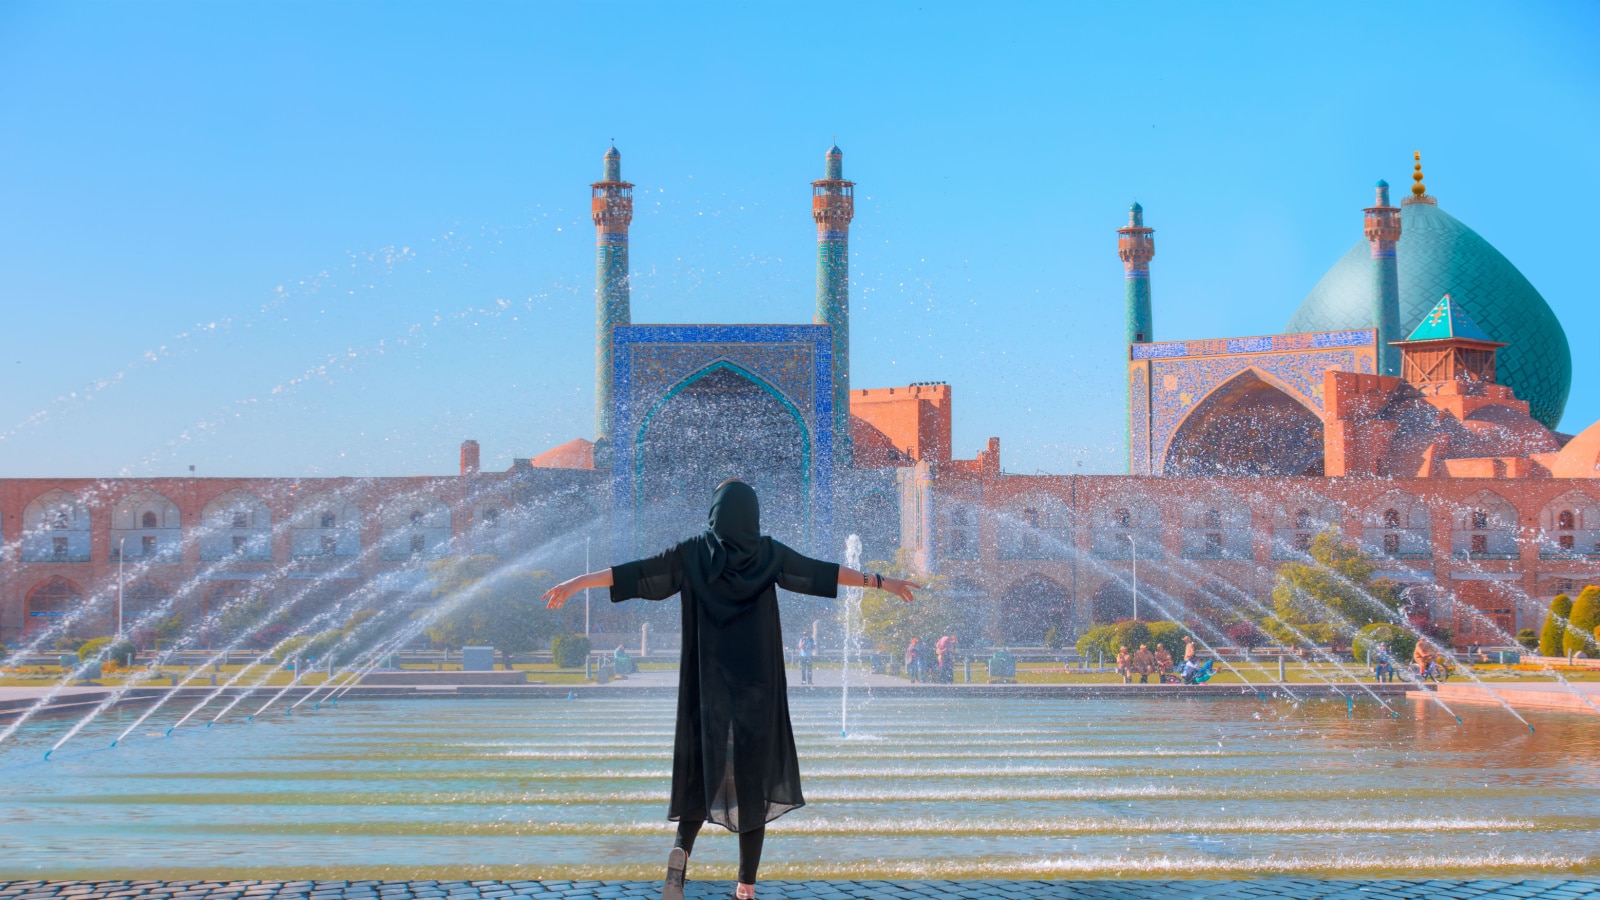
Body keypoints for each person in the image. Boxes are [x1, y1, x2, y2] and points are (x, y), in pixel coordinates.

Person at [542, 480, 919, 900]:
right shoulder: (769, 553)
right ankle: (745, 884)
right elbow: (821, 572)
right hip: (757, 684)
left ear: (716, 513)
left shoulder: (692, 553)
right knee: (752, 778)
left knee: (703, 769)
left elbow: (635, 572)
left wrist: (577, 582)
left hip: (708, 683)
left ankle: (682, 850)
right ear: (751, 515)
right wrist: (883, 581)